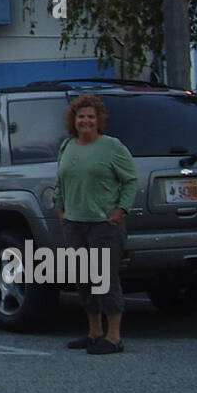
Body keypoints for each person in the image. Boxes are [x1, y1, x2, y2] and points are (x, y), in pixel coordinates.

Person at [54, 94, 138, 354]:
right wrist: (60, 207)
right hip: (74, 223)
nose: (86, 121)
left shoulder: (112, 147)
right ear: (74, 120)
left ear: (99, 120)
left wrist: (120, 210)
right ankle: (94, 331)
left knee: (104, 279)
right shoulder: (67, 146)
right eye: (81, 116)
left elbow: (131, 179)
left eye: (91, 116)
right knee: (83, 280)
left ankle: (114, 337)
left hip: (103, 225)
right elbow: (61, 180)